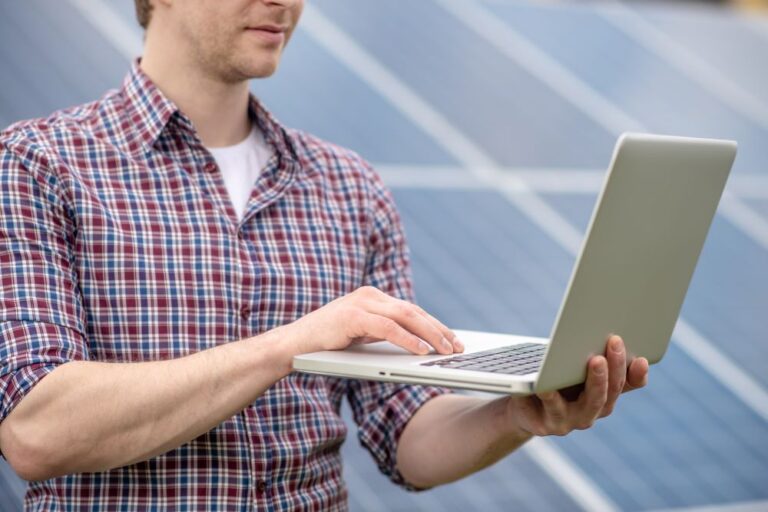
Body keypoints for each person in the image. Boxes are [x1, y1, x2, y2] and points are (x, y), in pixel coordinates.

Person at [0, 0, 649, 509]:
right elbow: (36, 431)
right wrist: (294, 344)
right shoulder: (37, 165)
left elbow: (405, 437)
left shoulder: (349, 188)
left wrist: (513, 414)